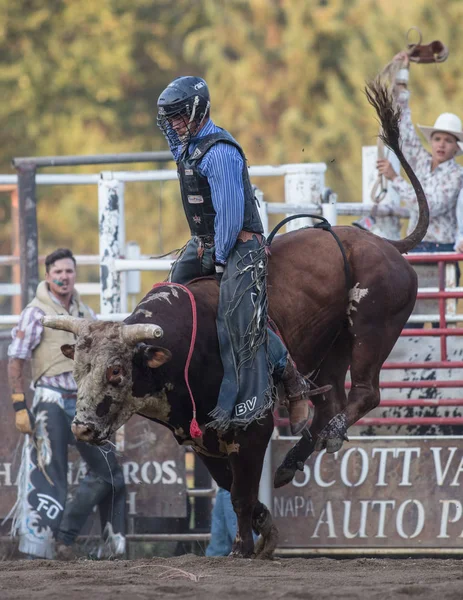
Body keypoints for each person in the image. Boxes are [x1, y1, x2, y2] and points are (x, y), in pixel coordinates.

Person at [157, 76, 312, 434]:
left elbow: (228, 214)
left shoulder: (220, 152)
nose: (173, 125)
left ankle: (292, 381)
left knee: (239, 315)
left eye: (179, 117)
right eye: (170, 118)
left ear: (196, 112)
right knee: (170, 297)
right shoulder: (188, 147)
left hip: (239, 244)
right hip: (202, 242)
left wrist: (221, 257)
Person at [7, 248, 126, 560]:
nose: (63, 277)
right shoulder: (35, 313)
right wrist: (20, 405)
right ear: (48, 276)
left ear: (75, 275)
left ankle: (66, 538)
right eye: (58, 272)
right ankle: (41, 550)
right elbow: (16, 360)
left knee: (109, 472)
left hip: (84, 405)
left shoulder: (84, 313)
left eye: (69, 272)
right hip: (49, 401)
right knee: (51, 476)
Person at [377, 51, 463, 254]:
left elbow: (429, 207)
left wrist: (395, 179)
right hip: (416, 244)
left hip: (441, 247)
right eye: (438, 139)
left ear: (455, 147)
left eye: (448, 141)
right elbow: (404, 127)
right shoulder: (422, 162)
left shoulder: (457, 175)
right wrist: (401, 79)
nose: (441, 145)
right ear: (432, 141)